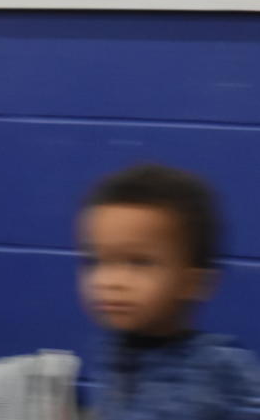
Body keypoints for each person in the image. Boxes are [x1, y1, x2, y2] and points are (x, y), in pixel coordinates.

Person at [79, 163, 260, 418]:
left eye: (139, 262)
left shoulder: (223, 369)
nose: (110, 281)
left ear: (193, 283)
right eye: (97, 260)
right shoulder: (111, 352)